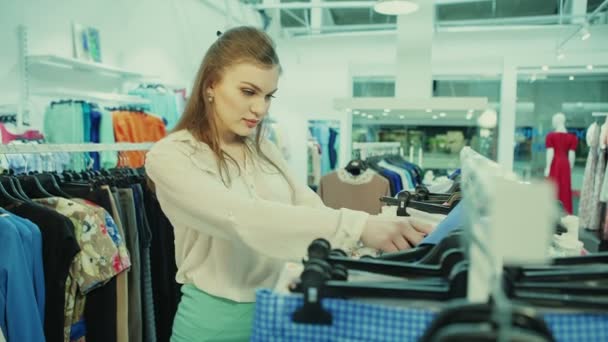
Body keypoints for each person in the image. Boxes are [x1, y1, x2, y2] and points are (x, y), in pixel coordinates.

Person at [145, 26, 434, 342]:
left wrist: (367, 241)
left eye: (269, 96)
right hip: (214, 324)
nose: (261, 108)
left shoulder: (265, 151)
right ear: (211, 84)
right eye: (248, 91)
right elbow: (240, 218)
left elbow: (310, 207)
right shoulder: (171, 156)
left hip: (285, 310)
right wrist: (359, 225)